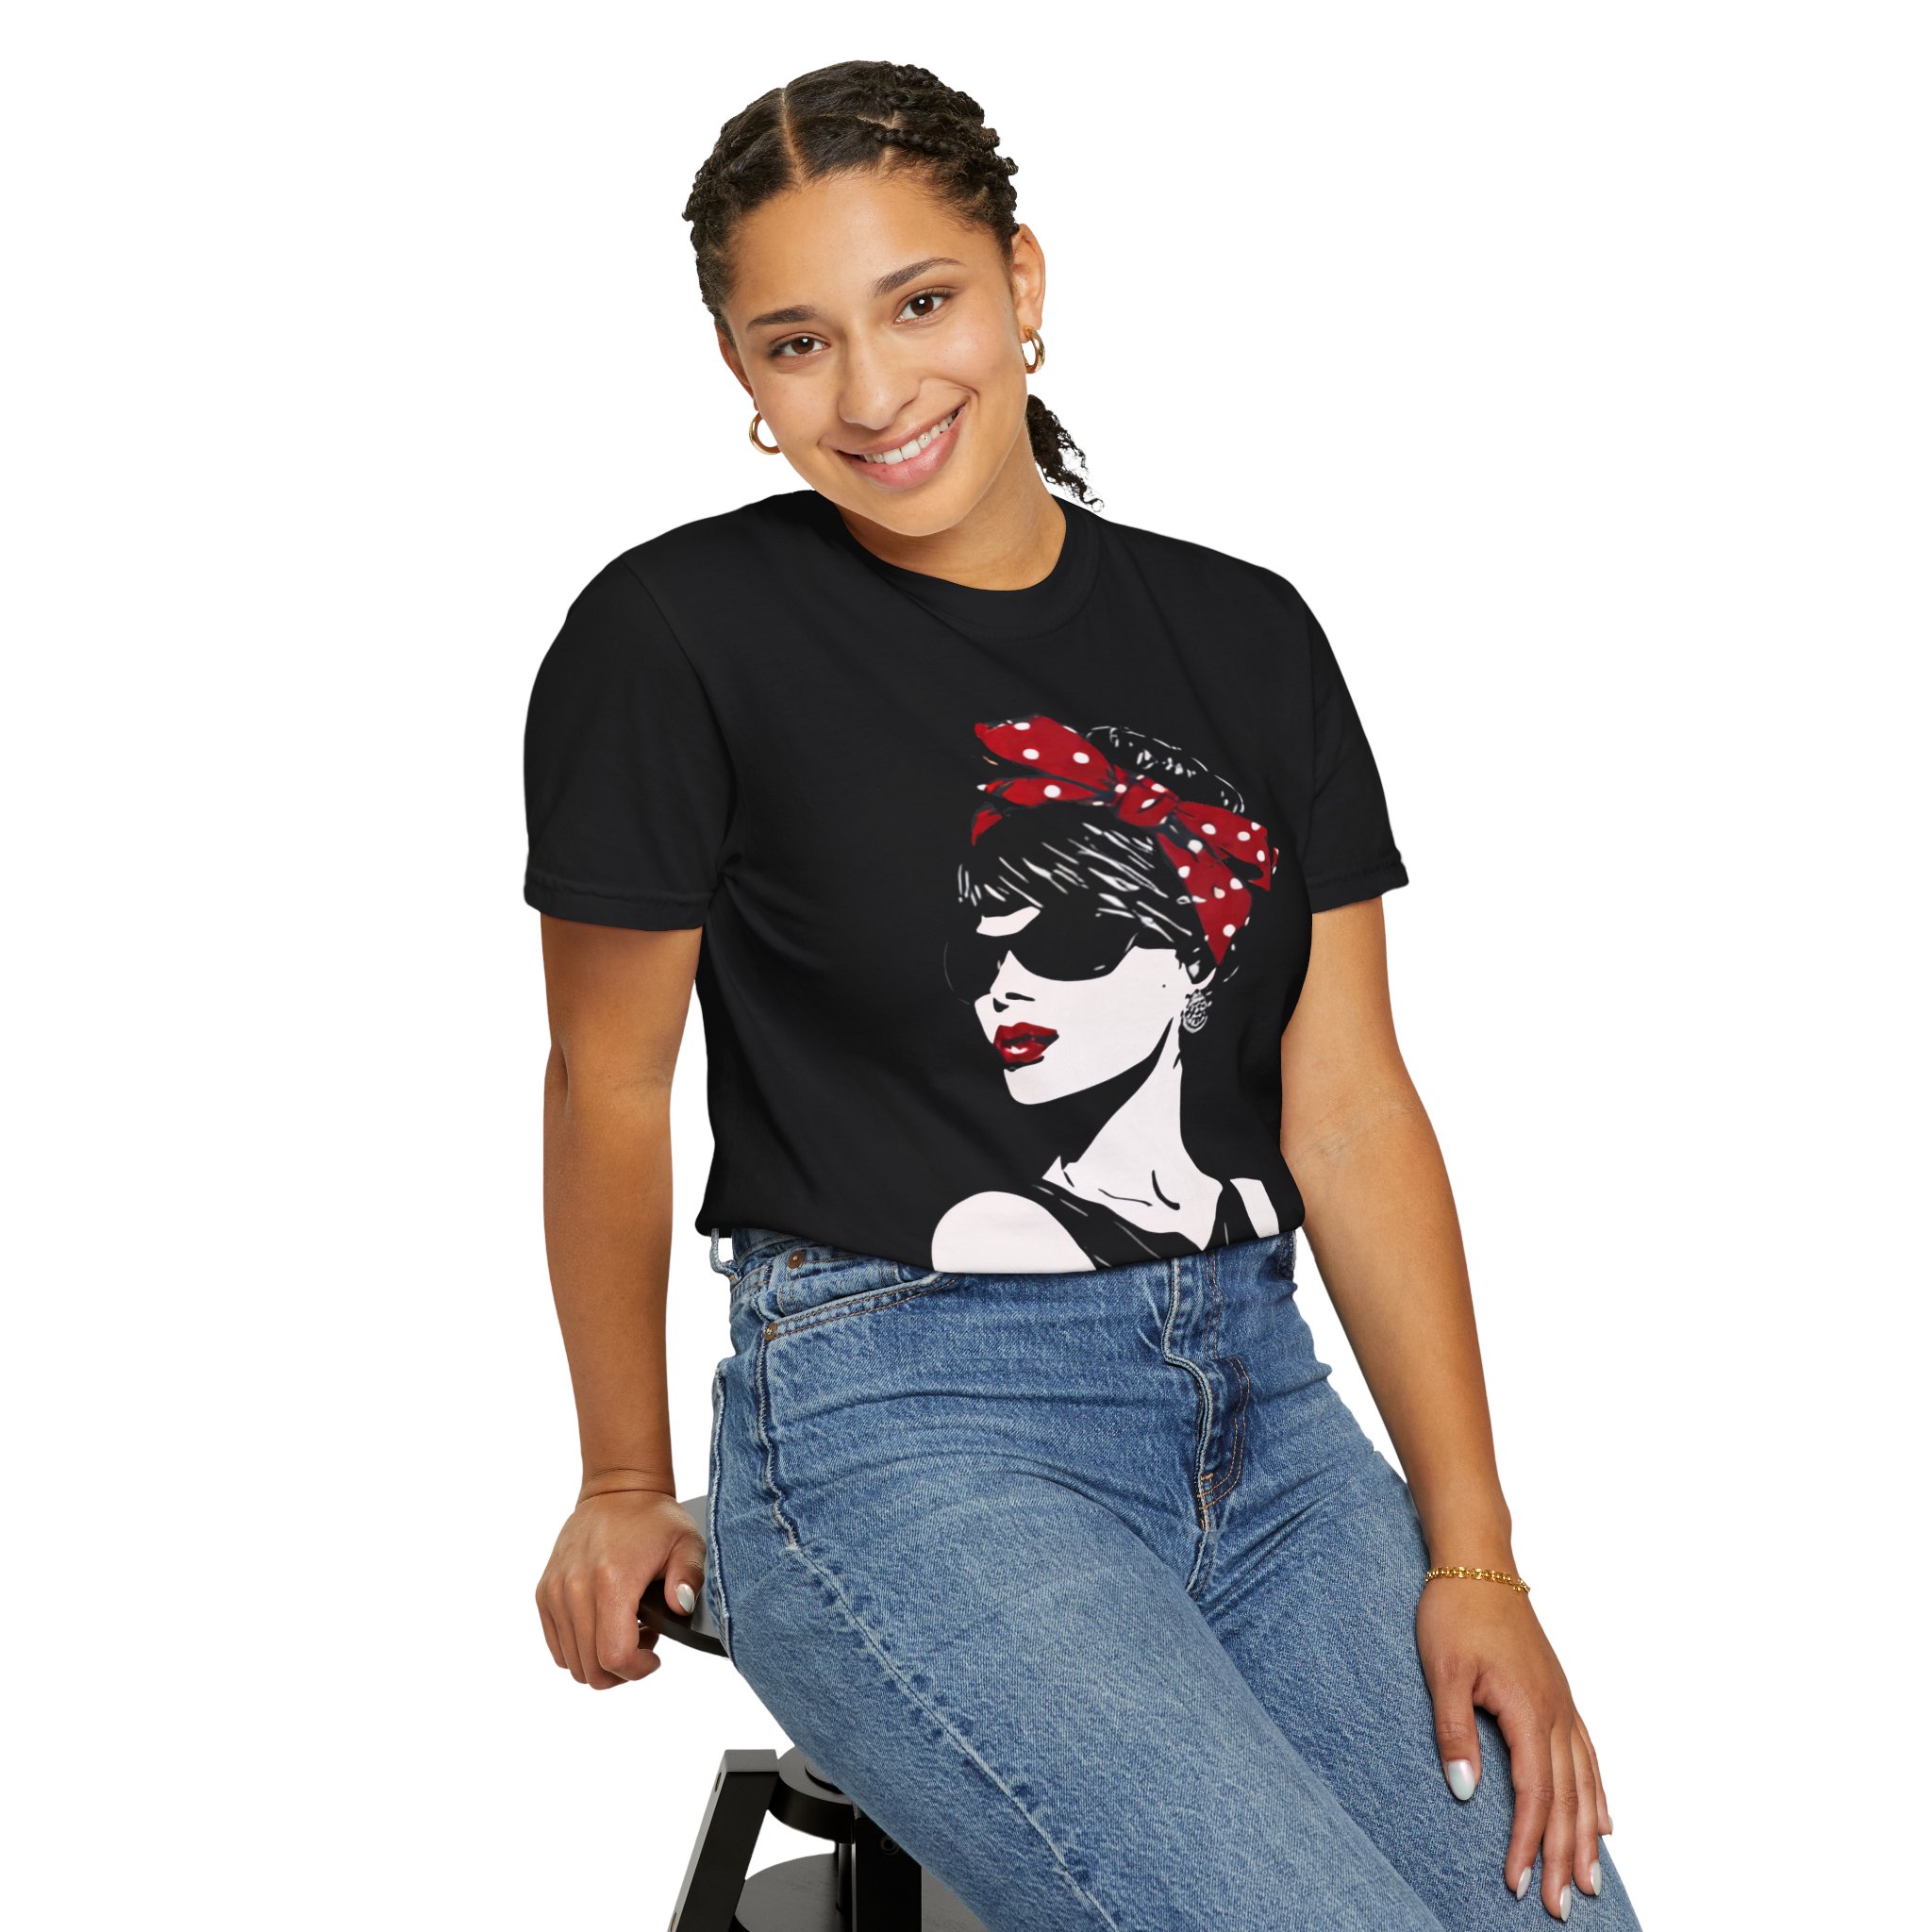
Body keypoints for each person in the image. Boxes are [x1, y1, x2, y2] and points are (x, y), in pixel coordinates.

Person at [523, 58, 1643, 1931]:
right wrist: (623, 1470)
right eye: (796, 342)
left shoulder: (1245, 633)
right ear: (739, 372)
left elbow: (1349, 1105)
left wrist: (1475, 1558)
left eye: (921, 303)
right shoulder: (677, 636)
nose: (872, 392)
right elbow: (607, 1080)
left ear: (1022, 281)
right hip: (896, 1426)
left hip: (1265, 1420)